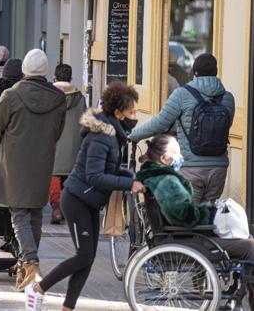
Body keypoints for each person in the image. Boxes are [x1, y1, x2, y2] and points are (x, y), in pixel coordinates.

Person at [25, 81, 144, 310]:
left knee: (87, 259)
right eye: (132, 112)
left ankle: (67, 307)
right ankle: (38, 288)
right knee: (84, 256)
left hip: (89, 200)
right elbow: (95, 176)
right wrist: (129, 184)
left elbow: (108, 170)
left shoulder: (113, 133)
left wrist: (132, 177)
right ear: (118, 113)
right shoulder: (101, 136)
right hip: (77, 199)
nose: (135, 116)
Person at [135, 134, 254, 311]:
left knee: (247, 239)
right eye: (177, 152)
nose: (181, 156)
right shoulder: (166, 181)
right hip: (185, 239)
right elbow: (184, 216)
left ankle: (237, 296)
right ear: (164, 158)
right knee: (250, 247)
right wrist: (212, 214)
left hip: (179, 236)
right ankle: (239, 297)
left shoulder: (156, 175)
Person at [0, 49, 66, 291]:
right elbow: (57, 131)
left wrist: (2, 151)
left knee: (19, 214)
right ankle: (24, 269)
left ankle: (31, 264)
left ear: (25, 71)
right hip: (42, 161)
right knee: (34, 215)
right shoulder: (59, 98)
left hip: (14, 161)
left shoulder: (11, 95)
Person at [130, 53, 235, 203]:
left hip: (191, 169)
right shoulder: (228, 98)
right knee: (208, 218)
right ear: (216, 72)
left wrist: (132, 135)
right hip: (219, 168)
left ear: (194, 73)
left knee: (186, 219)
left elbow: (160, 123)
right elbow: (226, 127)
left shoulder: (182, 94)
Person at [50, 63, 86, 224]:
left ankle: (56, 208)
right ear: (70, 78)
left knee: (54, 176)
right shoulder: (80, 98)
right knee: (68, 178)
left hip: (53, 142)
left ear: (54, 77)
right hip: (74, 144)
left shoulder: (49, 95)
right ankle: (66, 208)